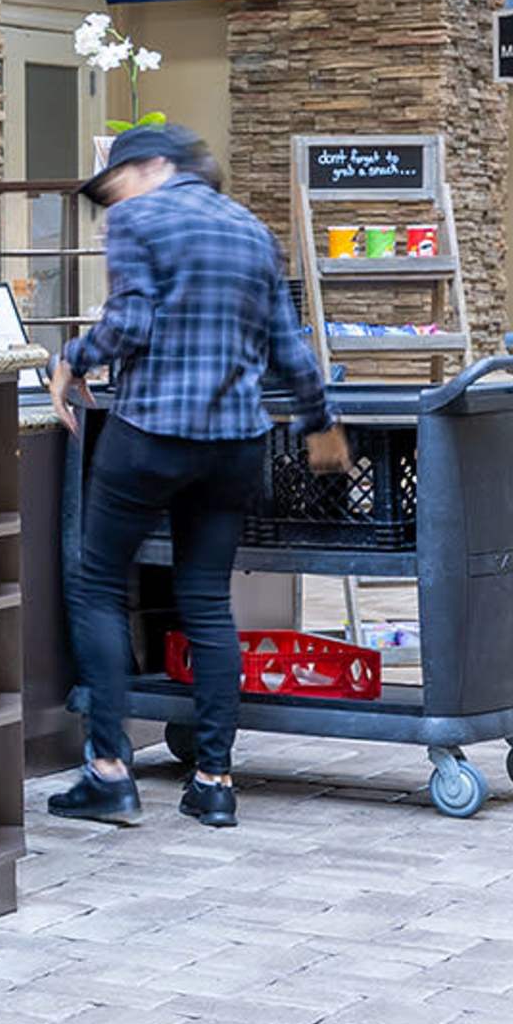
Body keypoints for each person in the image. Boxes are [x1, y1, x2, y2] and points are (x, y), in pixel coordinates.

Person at [45, 125, 349, 827]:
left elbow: (131, 322)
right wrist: (320, 422)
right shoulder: (250, 228)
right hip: (235, 443)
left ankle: (109, 771)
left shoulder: (138, 218)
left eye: (115, 181)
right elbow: (288, 346)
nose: (110, 198)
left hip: (151, 432)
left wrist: (73, 355)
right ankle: (213, 781)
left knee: (96, 583)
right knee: (207, 600)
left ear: (155, 167)